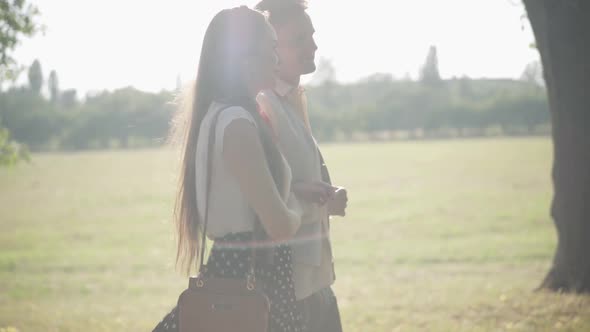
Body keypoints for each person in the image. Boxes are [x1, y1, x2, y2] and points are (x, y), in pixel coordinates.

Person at [153, 6, 307, 331]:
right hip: (250, 281)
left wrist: (292, 196)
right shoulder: (237, 122)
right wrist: (301, 205)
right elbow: (279, 225)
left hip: (235, 274)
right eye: (271, 47)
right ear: (245, 59)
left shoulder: (220, 114)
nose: (277, 57)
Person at [255, 1, 348, 331]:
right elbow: (259, 195)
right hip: (287, 288)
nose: (313, 45)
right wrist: (309, 196)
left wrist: (324, 197)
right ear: (268, 46)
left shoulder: (290, 100)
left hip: (315, 281)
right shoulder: (263, 105)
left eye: (311, 35)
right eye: (299, 39)